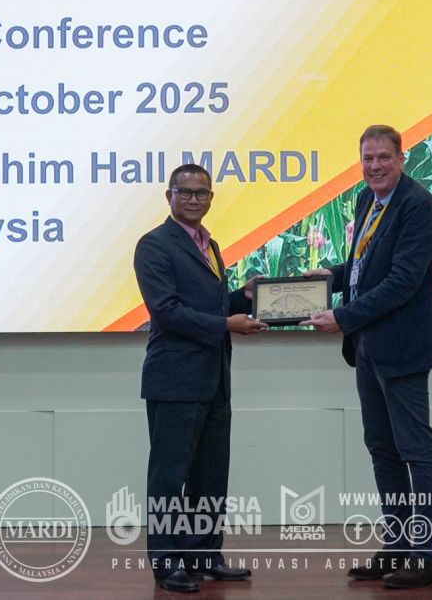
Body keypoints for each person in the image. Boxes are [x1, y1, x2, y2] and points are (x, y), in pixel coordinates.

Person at [302, 124, 432, 589]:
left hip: (403, 347)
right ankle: (397, 547)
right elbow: (367, 266)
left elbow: (402, 282)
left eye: (384, 157)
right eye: (368, 158)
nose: (375, 166)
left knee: (415, 451)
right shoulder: (368, 200)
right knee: (382, 450)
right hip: (368, 347)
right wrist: (330, 276)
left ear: (402, 158)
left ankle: (425, 557)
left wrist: (343, 317)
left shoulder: (417, 206)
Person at [134, 163, 265, 593]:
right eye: (185, 192)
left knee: (210, 474)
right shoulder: (154, 245)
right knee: (169, 477)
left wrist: (243, 297)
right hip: (174, 378)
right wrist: (226, 324)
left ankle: (205, 555)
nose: (194, 199)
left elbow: (209, 306)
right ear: (168, 196)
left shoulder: (210, 244)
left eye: (201, 193)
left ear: (211, 197)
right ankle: (166, 561)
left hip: (214, 378)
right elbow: (166, 311)